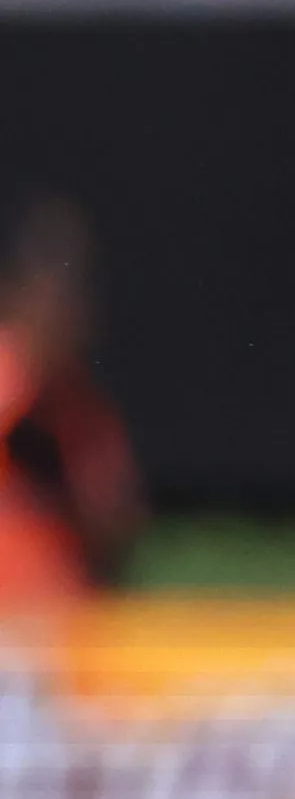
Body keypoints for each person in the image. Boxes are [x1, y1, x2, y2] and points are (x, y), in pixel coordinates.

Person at [0, 199, 142, 602]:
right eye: (50, 296)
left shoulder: (81, 412)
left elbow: (118, 527)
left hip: (69, 620)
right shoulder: (10, 388)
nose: (62, 312)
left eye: (72, 298)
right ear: (15, 294)